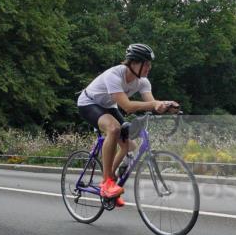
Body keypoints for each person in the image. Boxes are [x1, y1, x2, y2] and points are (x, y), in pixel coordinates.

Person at [76, 43, 178, 206]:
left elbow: (152, 104)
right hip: (89, 102)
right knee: (114, 129)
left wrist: (165, 106)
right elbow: (128, 107)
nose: (149, 67)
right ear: (134, 63)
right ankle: (106, 184)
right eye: (146, 64)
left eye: (150, 64)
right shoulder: (114, 75)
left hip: (109, 106)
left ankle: (110, 178)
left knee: (129, 146)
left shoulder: (143, 82)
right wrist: (156, 104)